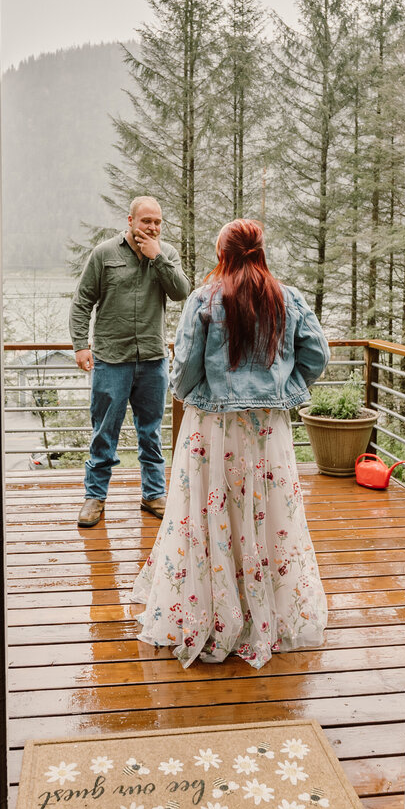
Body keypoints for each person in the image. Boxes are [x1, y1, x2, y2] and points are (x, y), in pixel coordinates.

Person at [130, 218, 331, 669]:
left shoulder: (204, 298)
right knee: (267, 513)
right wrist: (282, 388)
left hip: (214, 429)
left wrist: (204, 394)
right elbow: (318, 355)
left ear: (224, 253)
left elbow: (183, 374)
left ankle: (217, 611)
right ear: (259, 251)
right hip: (267, 431)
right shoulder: (287, 297)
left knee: (211, 514)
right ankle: (268, 611)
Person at [69, 195, 191, 528]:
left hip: (152, 360)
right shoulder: (103, 255)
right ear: (130, 221)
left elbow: (182, 292)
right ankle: (94, 498)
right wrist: (81, 345)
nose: (152, 228)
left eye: (157, 222)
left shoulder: (166, 254)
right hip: (111, 360)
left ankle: (153, 494)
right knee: (104, 432)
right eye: (146, 221)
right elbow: (82, 304)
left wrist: (159, 258)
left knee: (150, 433)